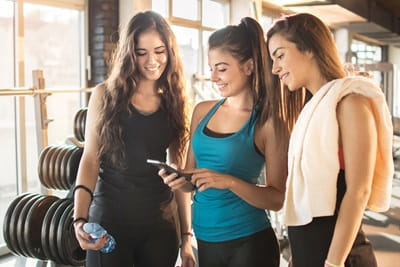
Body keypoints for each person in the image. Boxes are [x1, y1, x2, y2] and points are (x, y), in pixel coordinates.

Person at [266, 13, 394, 267]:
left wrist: (333, 263)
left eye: (280, 55)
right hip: (310, 255)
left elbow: (359, 191)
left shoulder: (351, 103)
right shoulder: (313, 110)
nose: (275, 68)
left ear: (309, 48)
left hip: (339, 258)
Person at [161, 17, 290, 267]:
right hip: (206, 240)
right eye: (211, 69)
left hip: (249, 242)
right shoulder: (202, 111)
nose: (214, 77)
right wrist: (178, 179)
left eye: (221, 69)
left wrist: (229, 182)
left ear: (249, 66)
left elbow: (277, 199)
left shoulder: (268, 123)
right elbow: (192, 180)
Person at [72, 11, 195, 267]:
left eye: (160, 51)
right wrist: (79, 219)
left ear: (170, 52)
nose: (152, 60)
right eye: (142, 53)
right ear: (130, 53)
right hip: (110, 222)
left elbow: (178, 174)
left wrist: (186, 238)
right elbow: (90, 160)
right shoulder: (104, 95)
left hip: (159, 226)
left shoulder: (176, 102)